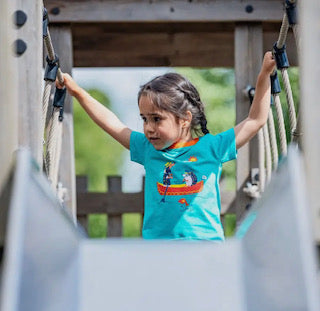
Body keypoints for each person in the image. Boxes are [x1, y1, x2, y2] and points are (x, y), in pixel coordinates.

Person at [58, 52, 276, 241]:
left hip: (203, 244)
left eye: (156, 119)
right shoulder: (147, 149)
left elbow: (255, 120)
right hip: (159, 248)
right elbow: (111, 123)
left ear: (184, 119)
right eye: (144, 119)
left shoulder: (212, 147)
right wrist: (78, 92)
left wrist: (264, 75)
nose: (148, 128)